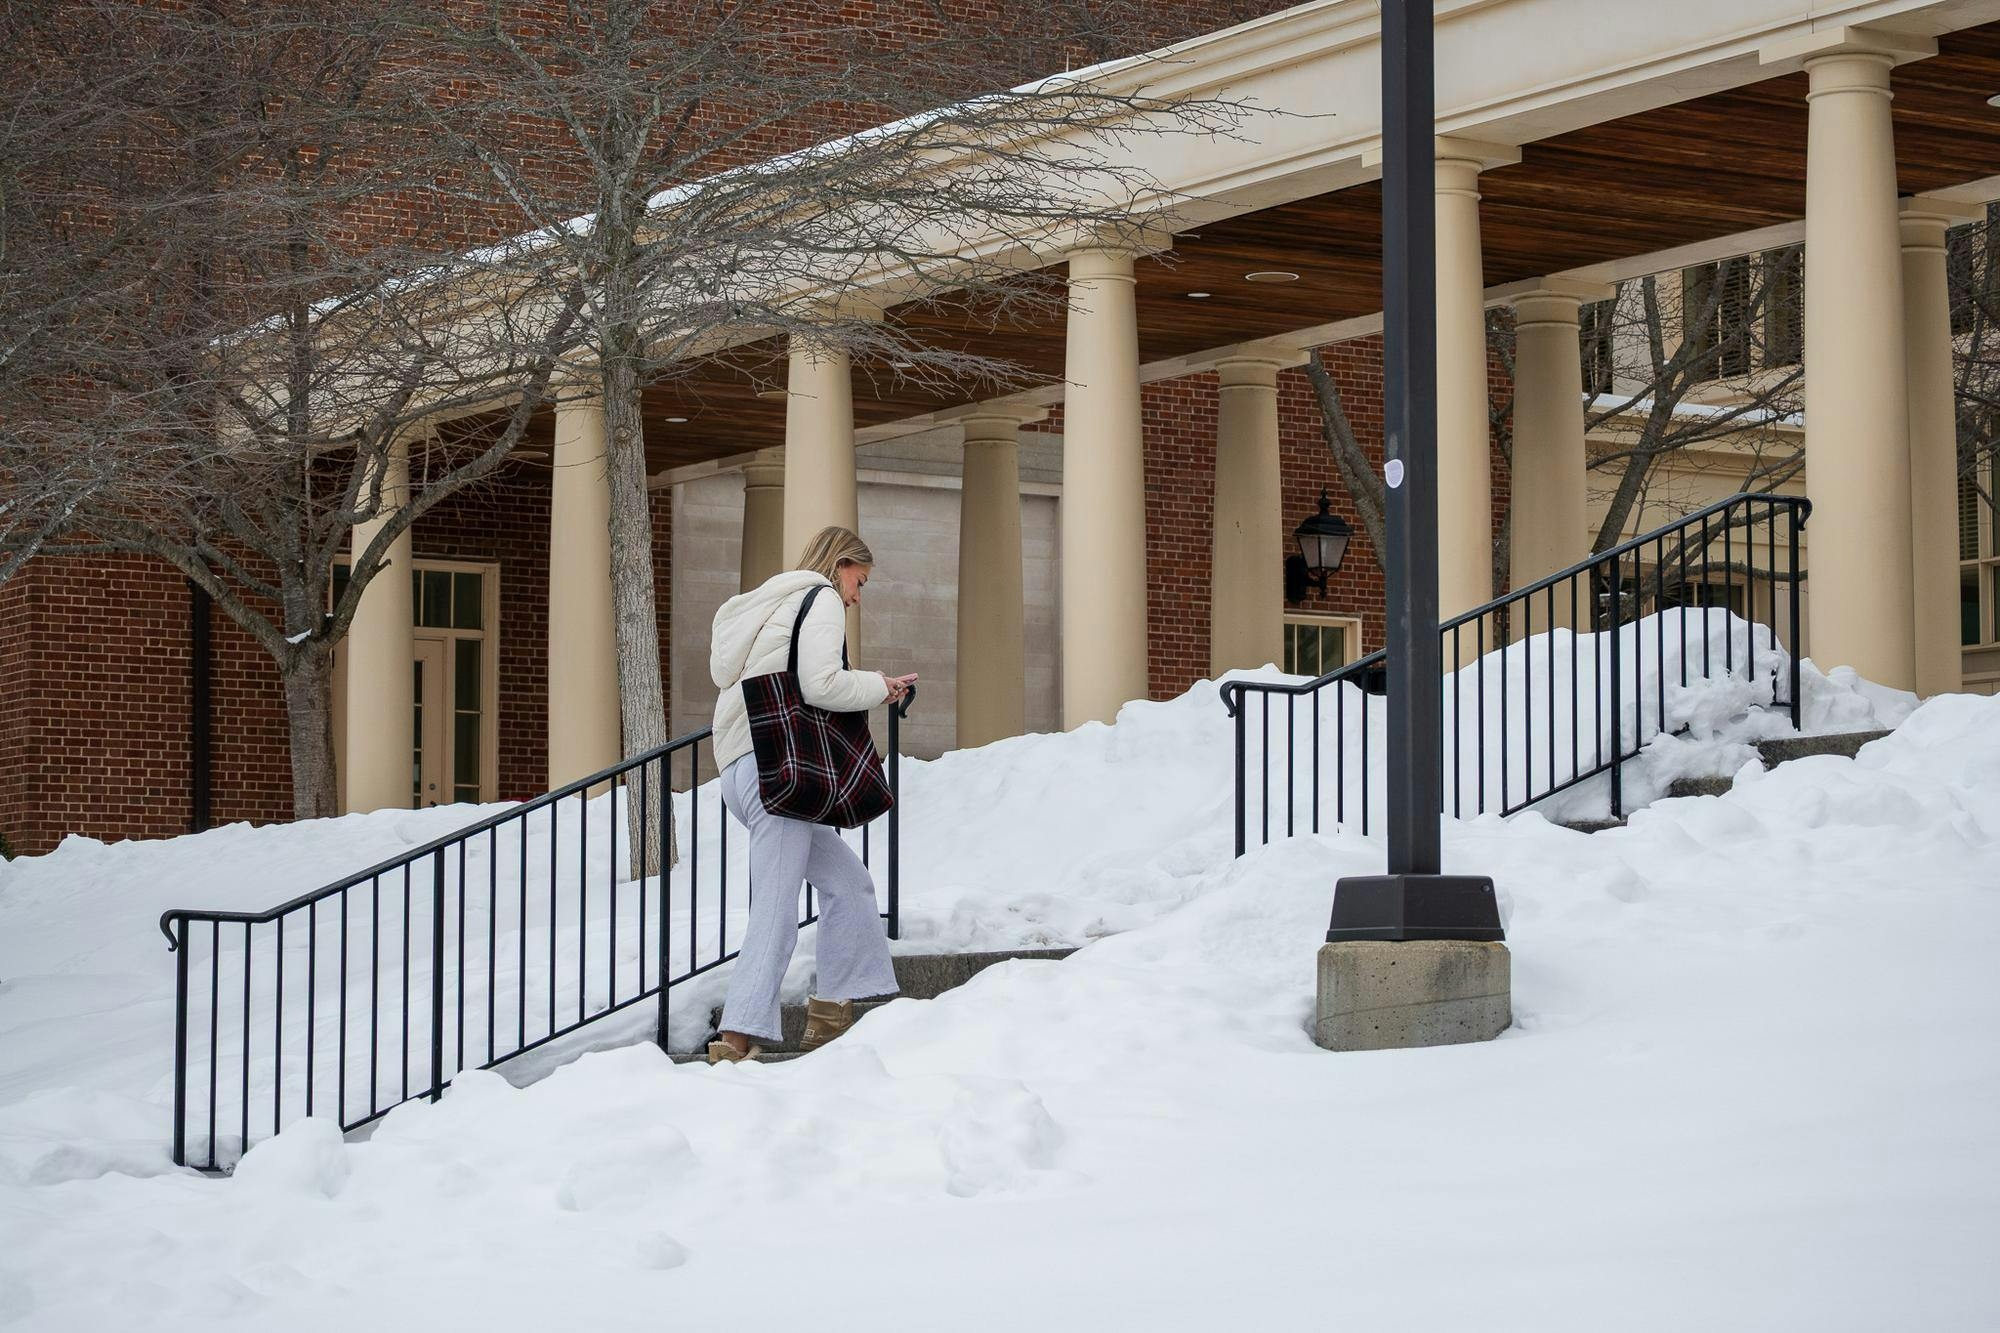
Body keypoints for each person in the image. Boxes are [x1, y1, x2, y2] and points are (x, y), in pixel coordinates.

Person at [704, 525, 918, 1063]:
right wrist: (879, 686)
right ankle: (736, 1036)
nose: (856, 595)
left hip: (743, 768)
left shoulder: (766, 606)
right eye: (859, 580)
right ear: (839, 564)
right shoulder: (819, 598)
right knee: (775, 906)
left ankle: (831, 1018)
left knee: (851, 886)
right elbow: (820, 684)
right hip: (775, 768)